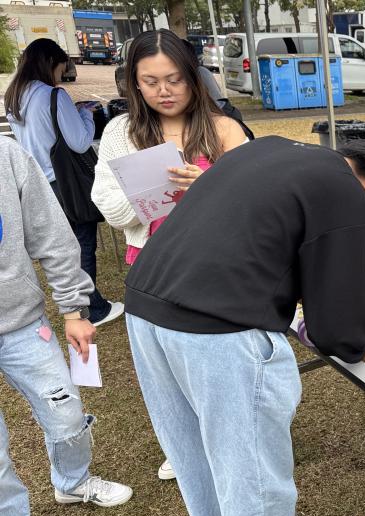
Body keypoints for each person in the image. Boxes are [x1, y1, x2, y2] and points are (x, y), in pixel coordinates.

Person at [123, 136, 365, 516]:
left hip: (146, 307)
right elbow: (338, 329)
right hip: (218, 331)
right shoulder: (347, 194)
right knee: (250, 472)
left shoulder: (268, 151)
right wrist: (360, 338)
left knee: (196, 453)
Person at [91, 29, 247, 481]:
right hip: (153, 269)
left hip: (218, 270)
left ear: (194, 79)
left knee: (220, 368)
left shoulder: (224, 128)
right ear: (134, 84)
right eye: (150, 80)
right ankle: (184, 444)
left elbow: (258, 205)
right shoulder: (122, 132)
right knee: (165, 372)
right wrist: (152, 187)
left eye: (175, 79)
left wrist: (210, 188)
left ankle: (232, 442)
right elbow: (114, 211)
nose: (164, 91)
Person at [0, 136, 133, 516]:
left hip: (21, 322)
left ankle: (73, 482)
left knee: (66, 411)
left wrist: (74, 310)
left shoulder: (7, 155)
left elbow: (50, 235)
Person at [4, 39, 124, 328]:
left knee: (60, 246)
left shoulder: (15, 95)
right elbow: (80, 141)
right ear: (51, 64)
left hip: (36, 181)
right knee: (82, 243)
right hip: (65, 182)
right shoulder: (53, 96)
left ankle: (81, 304)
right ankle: (91, 309)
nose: (62, 73)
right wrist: (84, 113)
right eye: (62, 67)